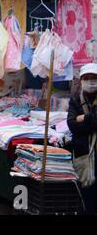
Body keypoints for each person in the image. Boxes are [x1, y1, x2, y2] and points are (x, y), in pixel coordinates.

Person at [67, 63, 97, 215]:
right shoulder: (75, 100)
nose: (91, 81)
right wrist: (91, 121)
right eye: (87, 78)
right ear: (81, 80)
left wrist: (83, 118)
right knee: (87, 192)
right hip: (83, 153)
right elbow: (71, 124)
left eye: (94, 78)